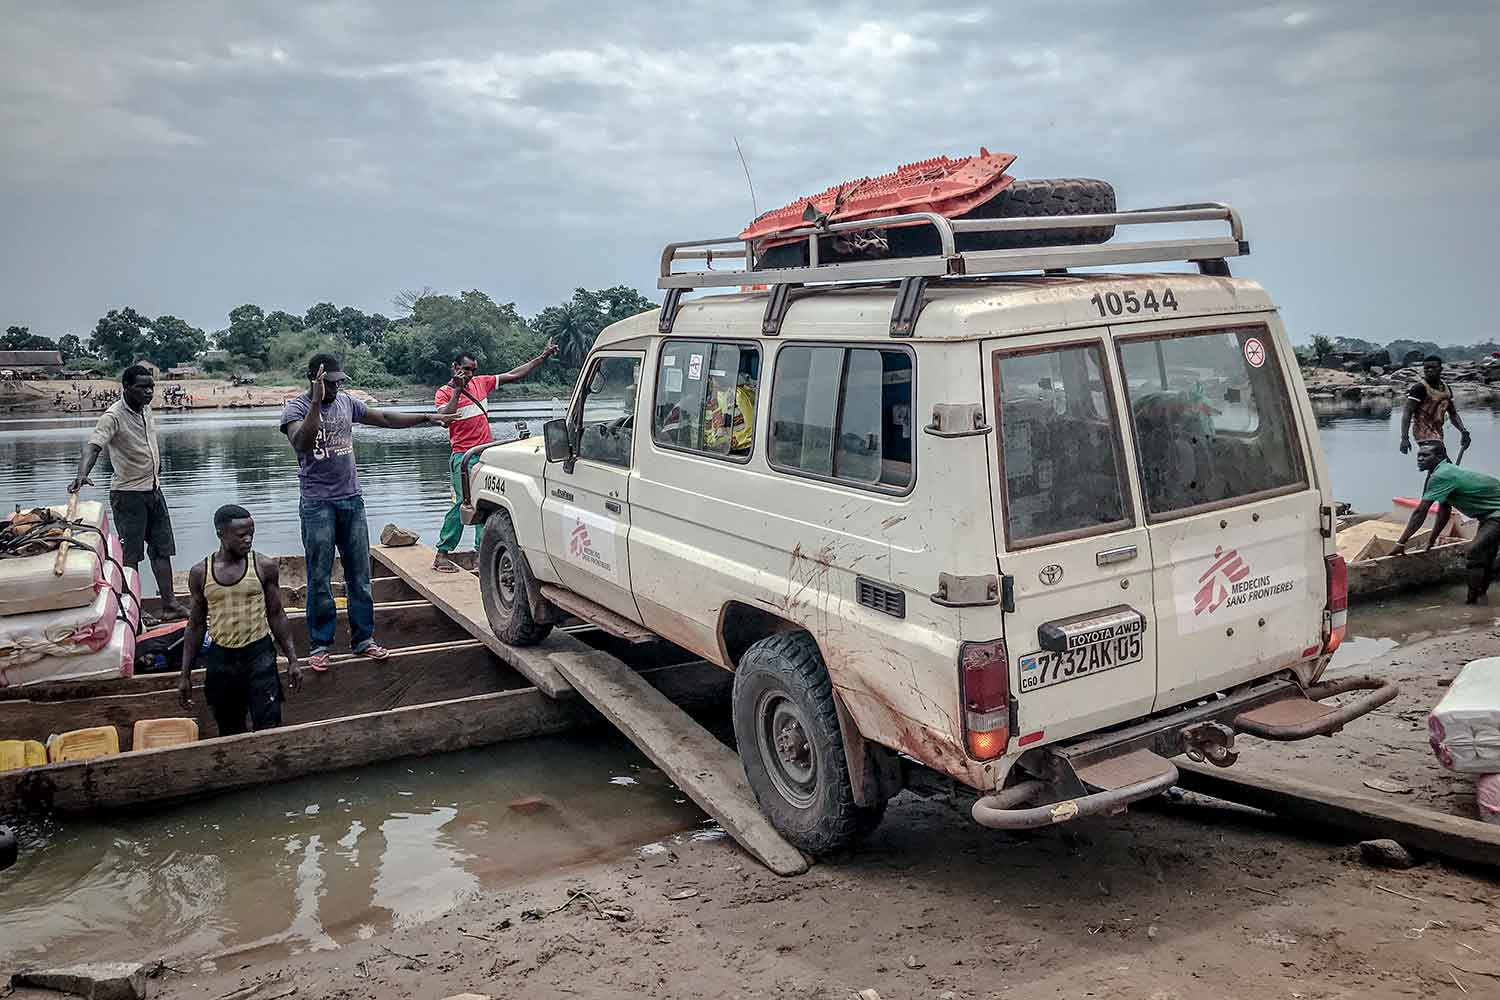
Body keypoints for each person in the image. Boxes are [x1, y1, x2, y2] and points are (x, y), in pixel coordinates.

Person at [281, 353, 454, 669]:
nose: (334, 388)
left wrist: (427, 418)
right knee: (319, 577)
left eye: (337, 382)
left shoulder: (348, 403)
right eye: (328, 383)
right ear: (313, 378)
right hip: (317, 504)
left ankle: (363, 639)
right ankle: (320, 645)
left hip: (352, 500)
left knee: (359, 575)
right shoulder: (296, 408)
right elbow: (302, 444)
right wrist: (317, 404)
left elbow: (385, 419)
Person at [68, 364, 190, 620]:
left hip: (154, 490)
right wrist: (82, 474)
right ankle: (132, 608)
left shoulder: (146, 410)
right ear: (126, 388)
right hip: (128, 495)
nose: (148, 392)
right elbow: (93, 447)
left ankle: (169, 605)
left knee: (162, 549)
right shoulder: (113, 416)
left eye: (151, 387)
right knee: (130, 556)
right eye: (142, 387)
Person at [431, 343, 557, 572]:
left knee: (484, 502)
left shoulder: (482, 383)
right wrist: (458, 390)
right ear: (454, 368)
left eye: (472, 370)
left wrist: (541, 357)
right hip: (463, 457)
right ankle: (442, 553)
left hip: (484, 455)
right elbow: (444, 419)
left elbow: (514, 374)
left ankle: (482, 556)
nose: (469, 374)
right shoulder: (444, 392)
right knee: (462, 503)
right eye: (465, 369)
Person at [179, 504, 302, 735]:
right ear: (221, 534)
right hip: (222, 658)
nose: (248, 540)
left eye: (251, 534)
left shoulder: (264, 566)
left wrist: (293, 659)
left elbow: (276, 615)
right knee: (229, 728)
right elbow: (195, 625)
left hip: (260, 655)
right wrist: (185, 675)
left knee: (268, 725)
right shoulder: (201, 573)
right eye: (241, 535)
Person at [1391, 440, 1500, 603]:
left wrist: (1400, 544)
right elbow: (1444, 511)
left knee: (1475, 552)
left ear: (1440, 457)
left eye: (1426, 455)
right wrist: (1432, 540)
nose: (1420, 459)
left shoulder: (1441, 475)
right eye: (1419, 455)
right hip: (1488, 516)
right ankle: (1482, 597)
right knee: (1487, 554)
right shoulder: (1442, 473)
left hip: (1496, 515)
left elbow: (1420, 512)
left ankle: (1472, 604)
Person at [1401, 355, 1472, 454]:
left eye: (1433, 368)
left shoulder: (1446, 389)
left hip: (1438, 433)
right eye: (1426, 368)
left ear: (1441, 369)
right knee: (1441, 460)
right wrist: (1404, 438)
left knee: (1438, 464)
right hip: (1422, 433)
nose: (1429, 370)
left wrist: (1463, 431)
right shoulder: (1419, 388)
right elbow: (1407, 412)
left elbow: (1453, 413)